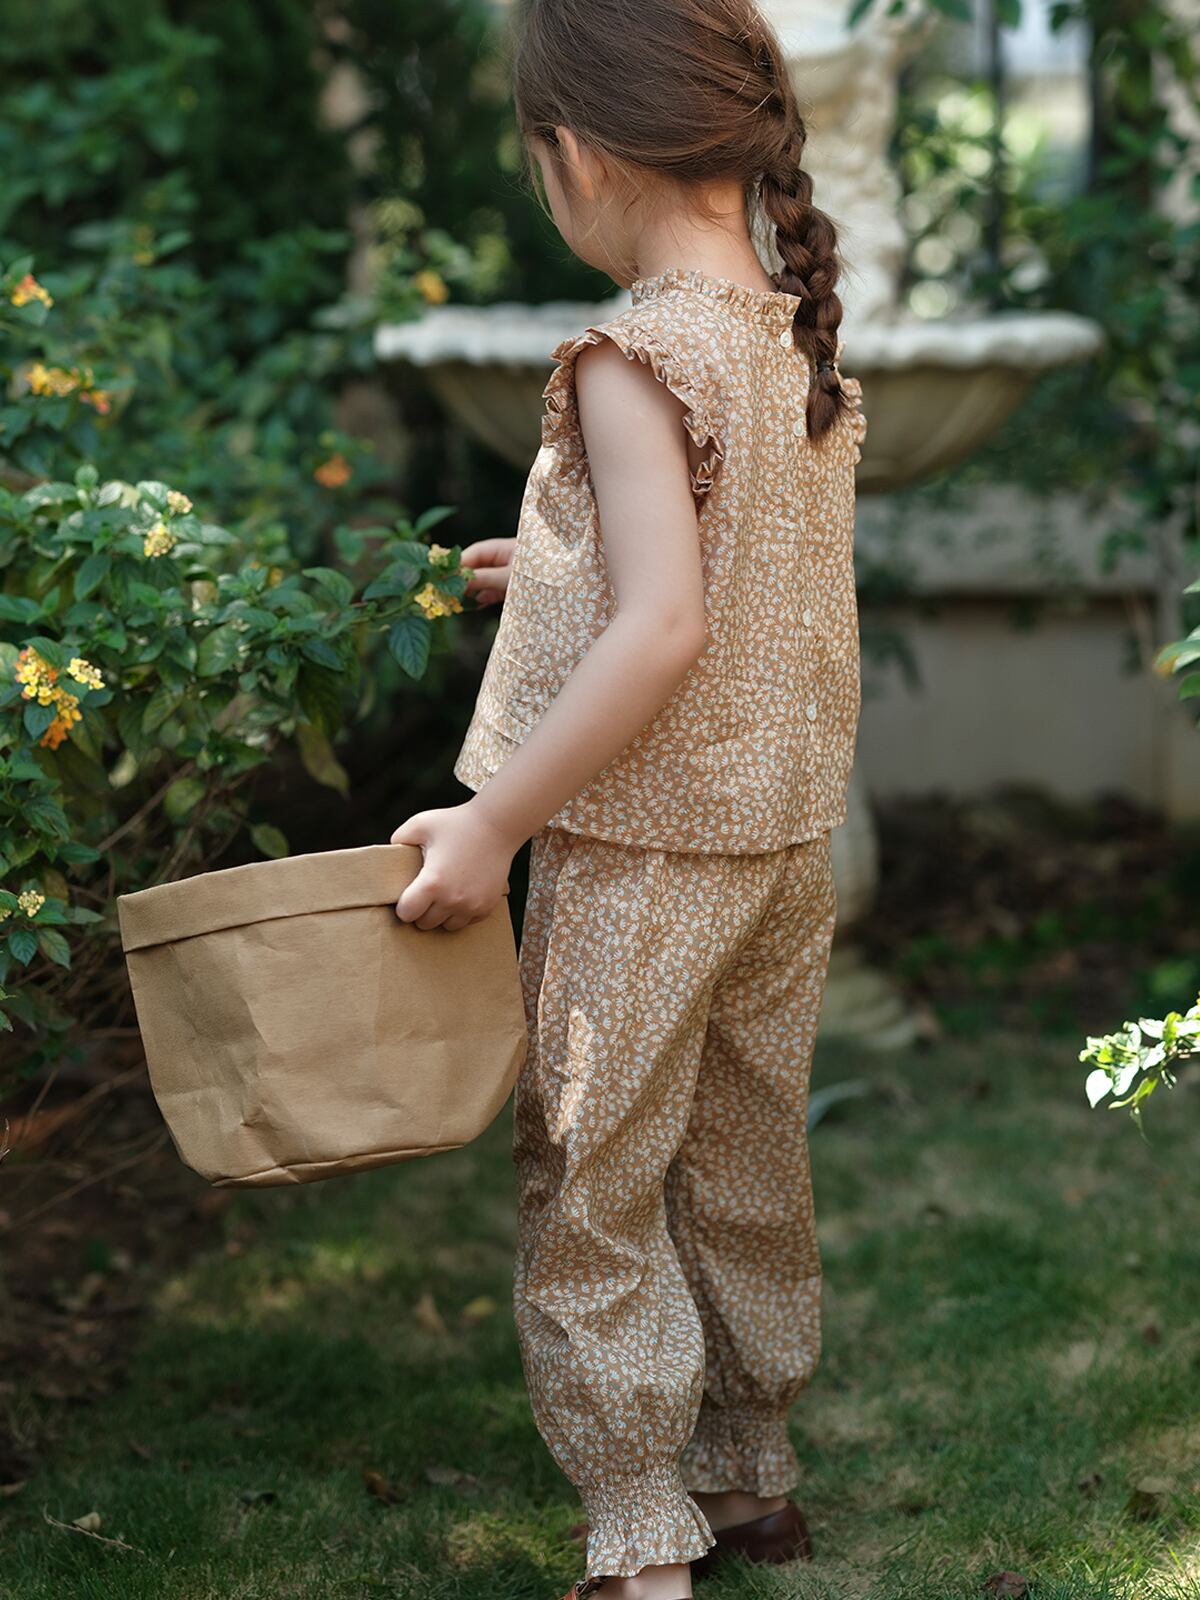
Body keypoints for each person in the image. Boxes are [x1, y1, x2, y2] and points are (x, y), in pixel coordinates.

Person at [390, 1, 866, 1595]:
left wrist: (494, 824)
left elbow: (666, 629)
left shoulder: (632, 354)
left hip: (648, 850)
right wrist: (559, 564)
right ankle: (748, 1471)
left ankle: (640, 1534)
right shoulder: (791, 334)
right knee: (743, 1158)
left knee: (594, 1176)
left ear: (579, 153)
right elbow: (735, 572)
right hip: (781, 840)